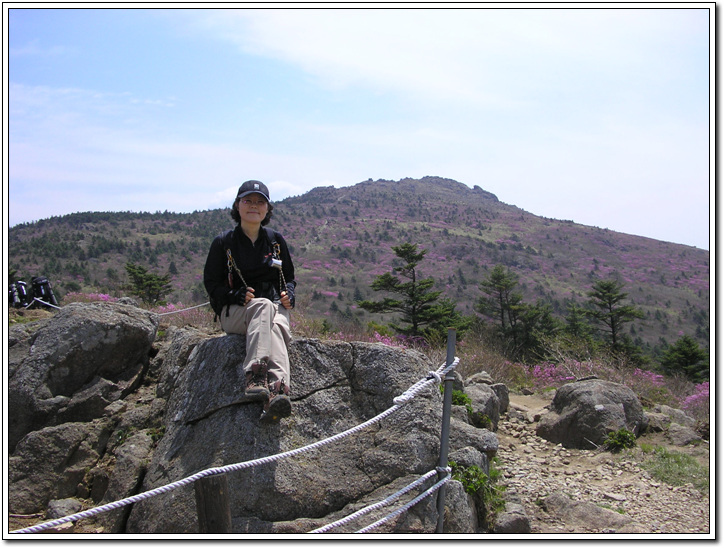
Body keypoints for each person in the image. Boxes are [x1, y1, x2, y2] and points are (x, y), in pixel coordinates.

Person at [203, 180, 296, 423]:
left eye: (260, 202)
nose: (254, 206)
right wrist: (234, 295)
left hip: (274, 307)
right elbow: (212, 285)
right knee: (263, 305)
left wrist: (289, 295)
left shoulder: (275, 241)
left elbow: (290, 278)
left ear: (267, 209)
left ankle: (276, 395)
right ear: (237, 205)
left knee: (275, 326)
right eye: (248, 201)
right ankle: (256, 375)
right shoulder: (224, 243)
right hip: (234, 313)